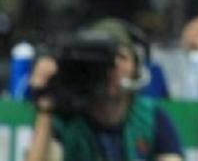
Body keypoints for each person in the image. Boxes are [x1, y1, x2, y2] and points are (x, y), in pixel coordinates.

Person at [25, 18, 183, 161]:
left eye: (121, 57)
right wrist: (45, 109)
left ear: (136, 67)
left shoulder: (152, 118)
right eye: (103, 61)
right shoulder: (66, 120)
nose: (112, 68)